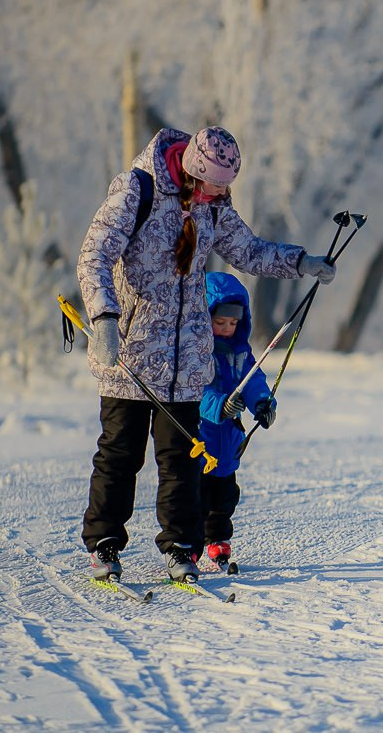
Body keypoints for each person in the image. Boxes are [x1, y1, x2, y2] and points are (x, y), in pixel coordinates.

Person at [78, 126, 335, 583]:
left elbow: (250, 251)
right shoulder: (136, 192)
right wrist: (103, 319)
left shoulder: (212, 206)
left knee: (183, 459)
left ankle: (181, 548)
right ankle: (105, 543)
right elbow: (93, 255)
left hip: (187, 362)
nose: (224, 192)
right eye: (219, 183)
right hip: (131, 354)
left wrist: (301, 263)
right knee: (120, 455)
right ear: (196, 172)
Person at [195, 271, 277, 569]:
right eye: (220, 322)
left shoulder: (241, 353)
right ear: (206, 319)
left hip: (228, 439)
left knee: (225, 495)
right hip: (199, 438)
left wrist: (263, 403)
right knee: (196, 497)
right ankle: (189, 545)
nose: (228, 328)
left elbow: (254, 381)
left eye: (233, 323)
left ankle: (217, 540)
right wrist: (221, 406)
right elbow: (196, 391)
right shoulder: (197, 352)